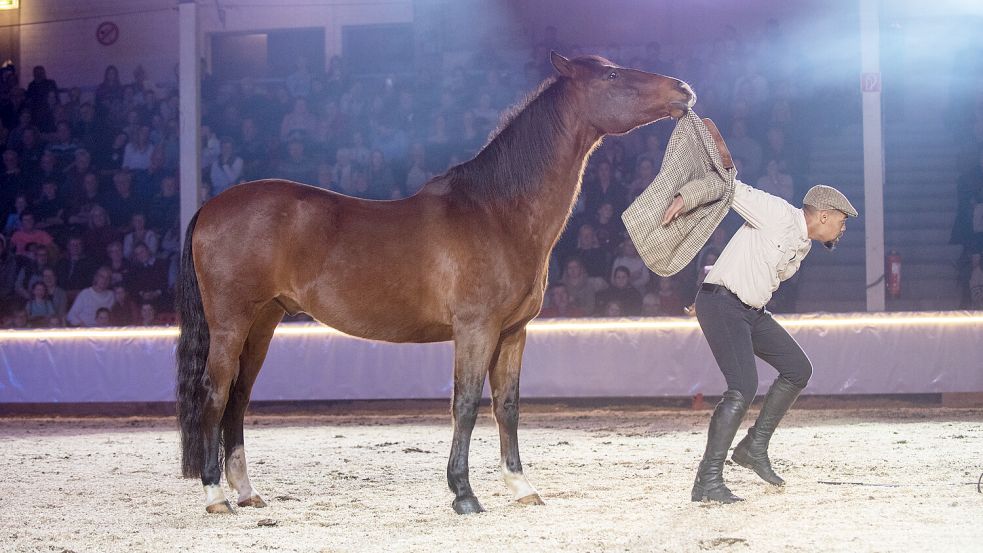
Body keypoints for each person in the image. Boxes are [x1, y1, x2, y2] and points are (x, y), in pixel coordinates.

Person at [660, 128, 858, 504]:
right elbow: (730, 188)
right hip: (722, 304)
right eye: (841, 222)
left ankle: (753, 447)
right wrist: (687, 196)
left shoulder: (804, 245)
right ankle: (707, 481)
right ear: (824, 215)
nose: (843, 229)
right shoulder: (776, 212)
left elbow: (759, 273)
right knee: (742, 387)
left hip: (748, 311)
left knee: (798, 368)